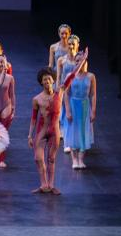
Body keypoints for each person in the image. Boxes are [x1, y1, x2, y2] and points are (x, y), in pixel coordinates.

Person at [28, 50, 88, 194]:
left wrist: (82, 61)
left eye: (49, 79)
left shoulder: (60, 92)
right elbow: (33, 119)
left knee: (51, 159)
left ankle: (51, 185)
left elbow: (72, 76)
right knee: (38, 158)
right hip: (41, 132)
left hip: (54, 131)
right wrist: (30, 135)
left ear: (53, 80)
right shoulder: (36, 99)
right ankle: (43, 185)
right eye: (44, 80)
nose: (47, 82)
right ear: (41, 82)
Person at [63, 45, 97, 169]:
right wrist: (67, 110)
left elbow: (93, 95)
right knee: (73, 131)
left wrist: (93, 110)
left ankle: (81, 159)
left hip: (84, 106)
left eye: (81, 60)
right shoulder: (70, 76)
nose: (79, 63)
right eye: (77, 61)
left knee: (83, 131)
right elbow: (66, 94)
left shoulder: (91, 77)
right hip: (73, 105)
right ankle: (74, 160)